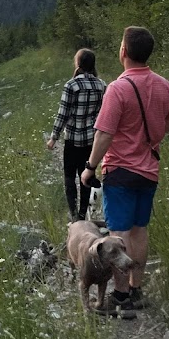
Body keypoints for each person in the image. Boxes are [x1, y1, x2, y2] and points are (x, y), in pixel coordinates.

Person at [81, 27, 169, 317]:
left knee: (119, 233)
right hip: (149, 169)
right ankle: (136, 289)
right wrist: (150, 133)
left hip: (121, 171)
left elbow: (104, 134)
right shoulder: (164, 86)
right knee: (139, 231)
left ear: (124, 51)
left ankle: (121, 295)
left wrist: (89, 168)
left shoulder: (118, 88)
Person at [47, 48, 107, 222]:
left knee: (69, 176)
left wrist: (53, 137)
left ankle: (74, 216)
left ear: (78, 64)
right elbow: (102, 114)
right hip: (91, 140)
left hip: (72, 139)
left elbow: (63, 114)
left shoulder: (71, 85)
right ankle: (83, 213)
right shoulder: (101, 85)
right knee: (86, 175)